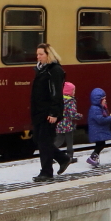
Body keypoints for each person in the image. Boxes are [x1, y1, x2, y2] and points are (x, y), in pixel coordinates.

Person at [30, 43, 70, 182]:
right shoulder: (42, 70)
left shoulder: (54, 70)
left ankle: (46, 172)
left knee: (44, 141)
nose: (38, 57)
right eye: (37, 54)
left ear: (49, 55)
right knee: (38, 139)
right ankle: (62, 158)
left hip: (48, 111)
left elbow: (56, 93)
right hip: (39, 111)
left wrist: (53, 113)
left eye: (41, 54)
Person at [86, 87, 111, 167]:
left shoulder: (99, 108)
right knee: (100, 145)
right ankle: (93, 157)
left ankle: (94, 158)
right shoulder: (95, 109)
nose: (105, 100)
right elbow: (101, 120)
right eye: (103, 99)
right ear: (98, 100)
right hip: (97, 131)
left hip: (98, 130)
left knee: (100, 144)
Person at [56, 81, 79, 163]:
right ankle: (69, 157)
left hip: (59, 123)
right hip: (68, 125)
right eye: (73, 91)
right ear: (70, 92)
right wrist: (79, 116)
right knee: (69, 141)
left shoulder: (59, 100)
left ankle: (49, 153)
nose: (74, 92)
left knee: (59, 140)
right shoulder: (70, 101)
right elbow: (72, 114)